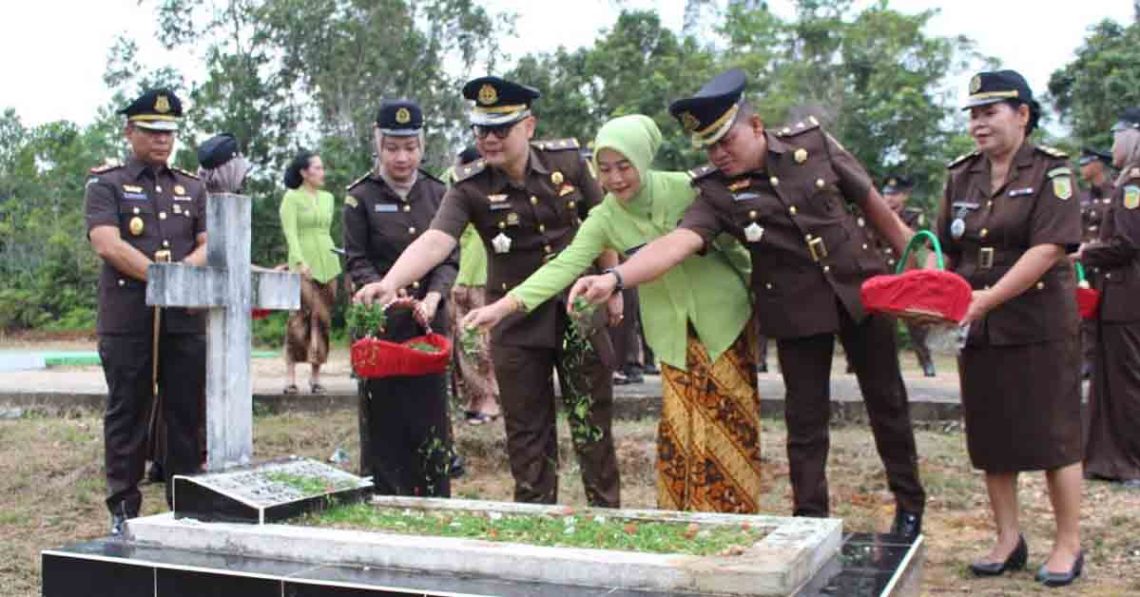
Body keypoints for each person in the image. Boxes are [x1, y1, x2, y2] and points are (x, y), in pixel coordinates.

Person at [569, 69, 926, 538]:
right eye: (710, 146)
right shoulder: (715, 191)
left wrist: (918, 272)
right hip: (797, 313)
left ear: (755, 125)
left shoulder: (813, 143)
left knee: (888, 404)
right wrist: (615, 277)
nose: (720, 153)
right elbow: (676, 243)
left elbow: (873, 204)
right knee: (805, 420)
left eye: (727, 140)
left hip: (862, 292)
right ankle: (810, 520)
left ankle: (909, 506)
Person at [465, 115, 761, 512]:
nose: (616, 179)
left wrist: (615, 279)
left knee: (725, 428)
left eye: (624, 166)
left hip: (722, 324)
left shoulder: (688, 190)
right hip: (670, 334)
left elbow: (735, 246)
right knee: (682, 432)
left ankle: (734, 520)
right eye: (604, 169)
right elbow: (563, 266)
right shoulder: (605, 216)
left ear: (643, 159)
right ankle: (685, 526)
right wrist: (502, 307)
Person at [354, 77, 622, 508]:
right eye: (482, 130)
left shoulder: (568, 163)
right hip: (514, 323)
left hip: (579, 311)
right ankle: (535, 525)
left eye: (502, 129)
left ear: (529, 126)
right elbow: (436, 241)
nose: (490, 139)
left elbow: (603, 221)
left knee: (593, 427)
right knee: (527, 435)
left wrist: (614, 284)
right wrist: (388, 283)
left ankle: (608, 521)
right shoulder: (469, 185)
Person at [935, 70, 1083, 586]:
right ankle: (1008, 538)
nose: (979, 124)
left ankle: (1068, 544)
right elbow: (947, 251)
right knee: (993, 433)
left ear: (1022, 115)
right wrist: (941, 298)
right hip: (980, 325)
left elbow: (1049, 247)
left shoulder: (1052, 172)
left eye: (989, 112)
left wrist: (988, 298)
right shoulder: (961, 176)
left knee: (1054, 434)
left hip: (1039, 321)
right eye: (973, 114)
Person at [84, 89, 207, 535]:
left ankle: (186, 501)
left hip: (183, 318)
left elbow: (206, 242)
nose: (162, 140)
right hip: (129, 319)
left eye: (169, 132)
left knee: (185, 412)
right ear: (129, 131)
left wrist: (182, 274)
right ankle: (123, 507)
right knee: (128, 410)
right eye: (152, 131)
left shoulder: (191, 186)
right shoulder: (107, 183)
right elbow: (107, 242)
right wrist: (160, 276)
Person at [343, 99, 458, 497]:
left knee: (429, 413)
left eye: (410, 147)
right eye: (392, 147)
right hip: (382, 324)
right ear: (378, 145)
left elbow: (448, 257)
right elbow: (356, 260)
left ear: (422, 147)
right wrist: (383, 292)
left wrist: (434, 297)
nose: (402, 157)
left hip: (428, 321)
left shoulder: (439, 193)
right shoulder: (360, 197)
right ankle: (386, 493)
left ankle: (434, 493)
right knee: (385, 414)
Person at [1080, 107, 1140, 488]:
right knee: (1112, 381)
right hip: (1120, 296)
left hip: (1126, 296)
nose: (1112, 144)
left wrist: (1085, 253)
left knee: (1126, 381)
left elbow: (1128, 243)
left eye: (1117, 134)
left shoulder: (1133, 185)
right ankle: (1108, 459)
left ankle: (1127, 462)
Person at [446, 147, 501, 425]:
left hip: (476, 277)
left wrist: (462, 279)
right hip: (466, 274)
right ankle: (476, 398)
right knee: (467, 344)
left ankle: (490, 399)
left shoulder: (484, 194)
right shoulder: (462, 190)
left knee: (479, 343)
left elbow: (478, 242)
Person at [280, 150, 342, 394]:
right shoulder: (291, 198)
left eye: (322, 167)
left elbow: (326, 231)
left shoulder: (327, 198)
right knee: (299, 319)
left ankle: (316, 377)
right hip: (303, 265)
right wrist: (299, 261)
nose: (322, 172)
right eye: (317, 168)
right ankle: (290, 377)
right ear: (304, 172)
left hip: (328, 263)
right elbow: (291, 234)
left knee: (323, 319)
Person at [878, 175, 936, 377]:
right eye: (886, 194)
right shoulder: (874, 215)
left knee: (915, 322)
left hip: (907, 273)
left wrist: (891, 217)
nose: (889, 198)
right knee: (880, 323)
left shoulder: (913, 216)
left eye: (894, 194)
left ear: (904, 196)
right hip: (884, 273)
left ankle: (926, 362)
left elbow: (917, 241)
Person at [1077, 147, 1114, 379]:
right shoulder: (1082, 197)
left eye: (1086, 162)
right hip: (1084, 265)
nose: (1082, 167)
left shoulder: (1117, 192)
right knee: (1084, 314)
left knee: (1109, 313)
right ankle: (1087, 359)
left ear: (1098, 164)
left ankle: (1104, 359)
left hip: (1108, 265)